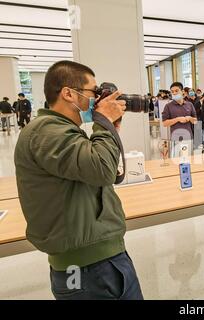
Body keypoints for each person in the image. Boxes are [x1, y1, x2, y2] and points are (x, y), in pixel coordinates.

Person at [14, 60, 143, 300]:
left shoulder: (62, 130)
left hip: (99, 260)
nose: (96, 98)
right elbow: (102, 169)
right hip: (87, 269)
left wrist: (108, 127)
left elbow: (101, 172)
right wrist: (103, 123)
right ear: (68, 93)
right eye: (93, 92)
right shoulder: (46, 131)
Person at [162, 82, 197, 157]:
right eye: (172, 91)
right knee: (176, 161)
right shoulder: (168, 106)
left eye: (176, 91)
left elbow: (195, 121)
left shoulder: (189, 105)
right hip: (176, 139)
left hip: (188, 138)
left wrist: (190, 118)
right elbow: (165, 123)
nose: (174, 93)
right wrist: (177, 119)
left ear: (182, 91)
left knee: (188, 161)